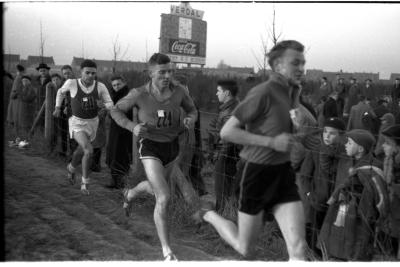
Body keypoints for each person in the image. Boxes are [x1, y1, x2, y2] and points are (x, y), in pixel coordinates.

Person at [193, 40, 307, 260]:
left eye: (303, 63)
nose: (301, 68)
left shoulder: (293, 92)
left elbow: (289, 125)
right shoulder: (262, 92)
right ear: (278, 65)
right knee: (245, 248)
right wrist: (271, 143)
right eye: (296, 63)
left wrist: (295, 129)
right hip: (256, 174)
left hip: (283, 173)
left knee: (299, 250)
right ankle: (209, 215)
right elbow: (227, 132)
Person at [110, 53, 197, 261]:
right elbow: (115, 111)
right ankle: (167, 251)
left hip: (172, 148)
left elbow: (192, 110)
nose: (167, 76)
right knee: (164, 197)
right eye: (162, 72)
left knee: (156, 189)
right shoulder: (138, 94)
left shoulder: (180, 91)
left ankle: (130, 194)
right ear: (151, 73)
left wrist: (191, 120)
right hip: (150, 148)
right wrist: (132, 126)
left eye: (170, 71)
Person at [318, 129, 388, 261]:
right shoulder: (346, 161)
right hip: (341, 210)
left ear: (360, 149)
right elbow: (329, 169)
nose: (346, 145)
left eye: (350, 143)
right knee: (336, 244)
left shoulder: (373, 168)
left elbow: (379, 195)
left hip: (360, 216)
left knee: (355, 248)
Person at [53, 59, 113, 195]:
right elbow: (60, 93)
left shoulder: (100, 86)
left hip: (93, 123)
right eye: (87, 73)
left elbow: (110, 103)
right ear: (81, 72)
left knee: (81, 149)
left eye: (93, 73)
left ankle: (71, 168)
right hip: (77, 122)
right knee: (88, 150)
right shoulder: (72, 83)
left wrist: (104, 105)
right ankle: (85, 183)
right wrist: (57, 107)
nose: (91, 76)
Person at [297, 117, 346, 255]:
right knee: (314, 229)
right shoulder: (315, 151)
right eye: (325, 132)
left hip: (336, 202)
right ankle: (315, 256)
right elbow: (304, 176)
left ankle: (328, 255)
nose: (327, 136)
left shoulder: (345, 153)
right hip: (316, 199)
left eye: (332, 133)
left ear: (341, 135)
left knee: (331, 231)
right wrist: (308, 193)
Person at [209, 79, 240, 212]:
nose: (216, 94)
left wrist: (218, 157)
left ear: (227, 93)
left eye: (219, 91)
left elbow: (228, 139)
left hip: (226, 156)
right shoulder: (231, 108)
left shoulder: (230, 112)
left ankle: (222, 219)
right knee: (227, 190)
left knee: (222, 190)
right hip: (228, 156)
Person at [105, 75, 133, 189]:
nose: (116, 87)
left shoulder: (129, 96)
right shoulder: (112, 96)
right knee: (113, 153)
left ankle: (121, 182)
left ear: (124, 83)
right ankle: (115, 180)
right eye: (114, 85)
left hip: (125, 130)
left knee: (122, 155)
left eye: (118, 84)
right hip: (114, 129)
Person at [381, 125, 400, 260]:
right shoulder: (390, 159)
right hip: (391, 208)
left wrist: (393, 187)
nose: (383, 146)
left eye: (387, 143)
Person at [15, 76, 37, 140]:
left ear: (29, 81)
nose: (24, 82)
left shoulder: (32, 88)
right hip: (22, 109)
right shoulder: (22, 88)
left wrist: (19, 95)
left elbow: (28, 98)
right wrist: (19, 94)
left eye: (26, 80)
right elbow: (14, 95)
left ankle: (30, 138)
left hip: (29, 109)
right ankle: (25, 138)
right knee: (23, 124)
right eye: (23, 81)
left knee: (29, 124)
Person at [47, 73, 63, 153]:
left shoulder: (63, 89)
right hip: (51, 113)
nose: (55, 81)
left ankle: (60, 148)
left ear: (60, 80)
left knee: (62, 131)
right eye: (53, 80)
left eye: (57, 79)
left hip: (62, 113)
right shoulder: (50, 89)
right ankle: (52, 146)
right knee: (53, 130)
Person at [7, 64, 25, 135]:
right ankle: (15, 130)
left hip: (16, 98)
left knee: (16, 114)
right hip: (15, 98)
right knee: (15, 114)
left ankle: (16, 131)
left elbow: (17, 89)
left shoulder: (19, 78)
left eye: (17, 70)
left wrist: (12, 95)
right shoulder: (19, 77)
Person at [34, 63, 52, 128]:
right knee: (39, 118)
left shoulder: (51, 80)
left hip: (48, 102)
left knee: (47, 118)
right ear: (39, 72)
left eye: (44, 70)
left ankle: (47, 134)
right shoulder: (37, 80)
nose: (42, 72)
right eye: (41, 71)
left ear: (47, 71)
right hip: (39, 102)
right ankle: (40, 132)